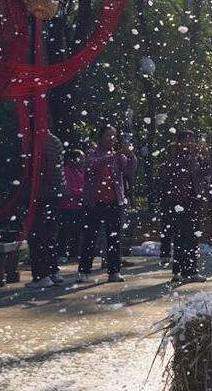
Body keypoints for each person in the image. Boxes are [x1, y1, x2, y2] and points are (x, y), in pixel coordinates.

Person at [77, 124, 137, 283]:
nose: (112, 139)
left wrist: (130, 155)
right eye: (109, 135)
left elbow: (130, 170)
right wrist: (116, 155)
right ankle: (84, 271)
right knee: (90, 237)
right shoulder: (93, 154)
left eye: (114, 136)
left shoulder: (118, 156)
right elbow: (92, 165)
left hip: (114, 202)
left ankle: (114, 271)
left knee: (114, 238)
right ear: (101, 138)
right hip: (94, 202)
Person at [159, 129, 209, 283]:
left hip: (194, 200)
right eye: (186, 140)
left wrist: (205, 158)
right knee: (180, 237)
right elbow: (168, 173)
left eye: (191, 140)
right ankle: (178, 270)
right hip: (178, 201)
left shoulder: (197, 157)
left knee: (193, 236)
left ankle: (191, 270)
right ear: (179, 142)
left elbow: (207, 172)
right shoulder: (174, 157)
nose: (189, 143)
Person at [26, 130, 67, 289]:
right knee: (49, 234)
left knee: (38, 235)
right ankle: (52, 271)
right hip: (54, 194)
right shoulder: (54, 140)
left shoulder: (37, 142)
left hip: (41, 193)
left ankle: (42, 275)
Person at [57, 148, 86, 262]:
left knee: (77, 231)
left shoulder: (80, 171)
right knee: (64, 230)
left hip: (79, 206)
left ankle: (74, 253)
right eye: (81, 158)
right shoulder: (66, 171)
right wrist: (82, 192)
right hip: (67, 206)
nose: (83, 161)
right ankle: (61, 253)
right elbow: (68, 189)